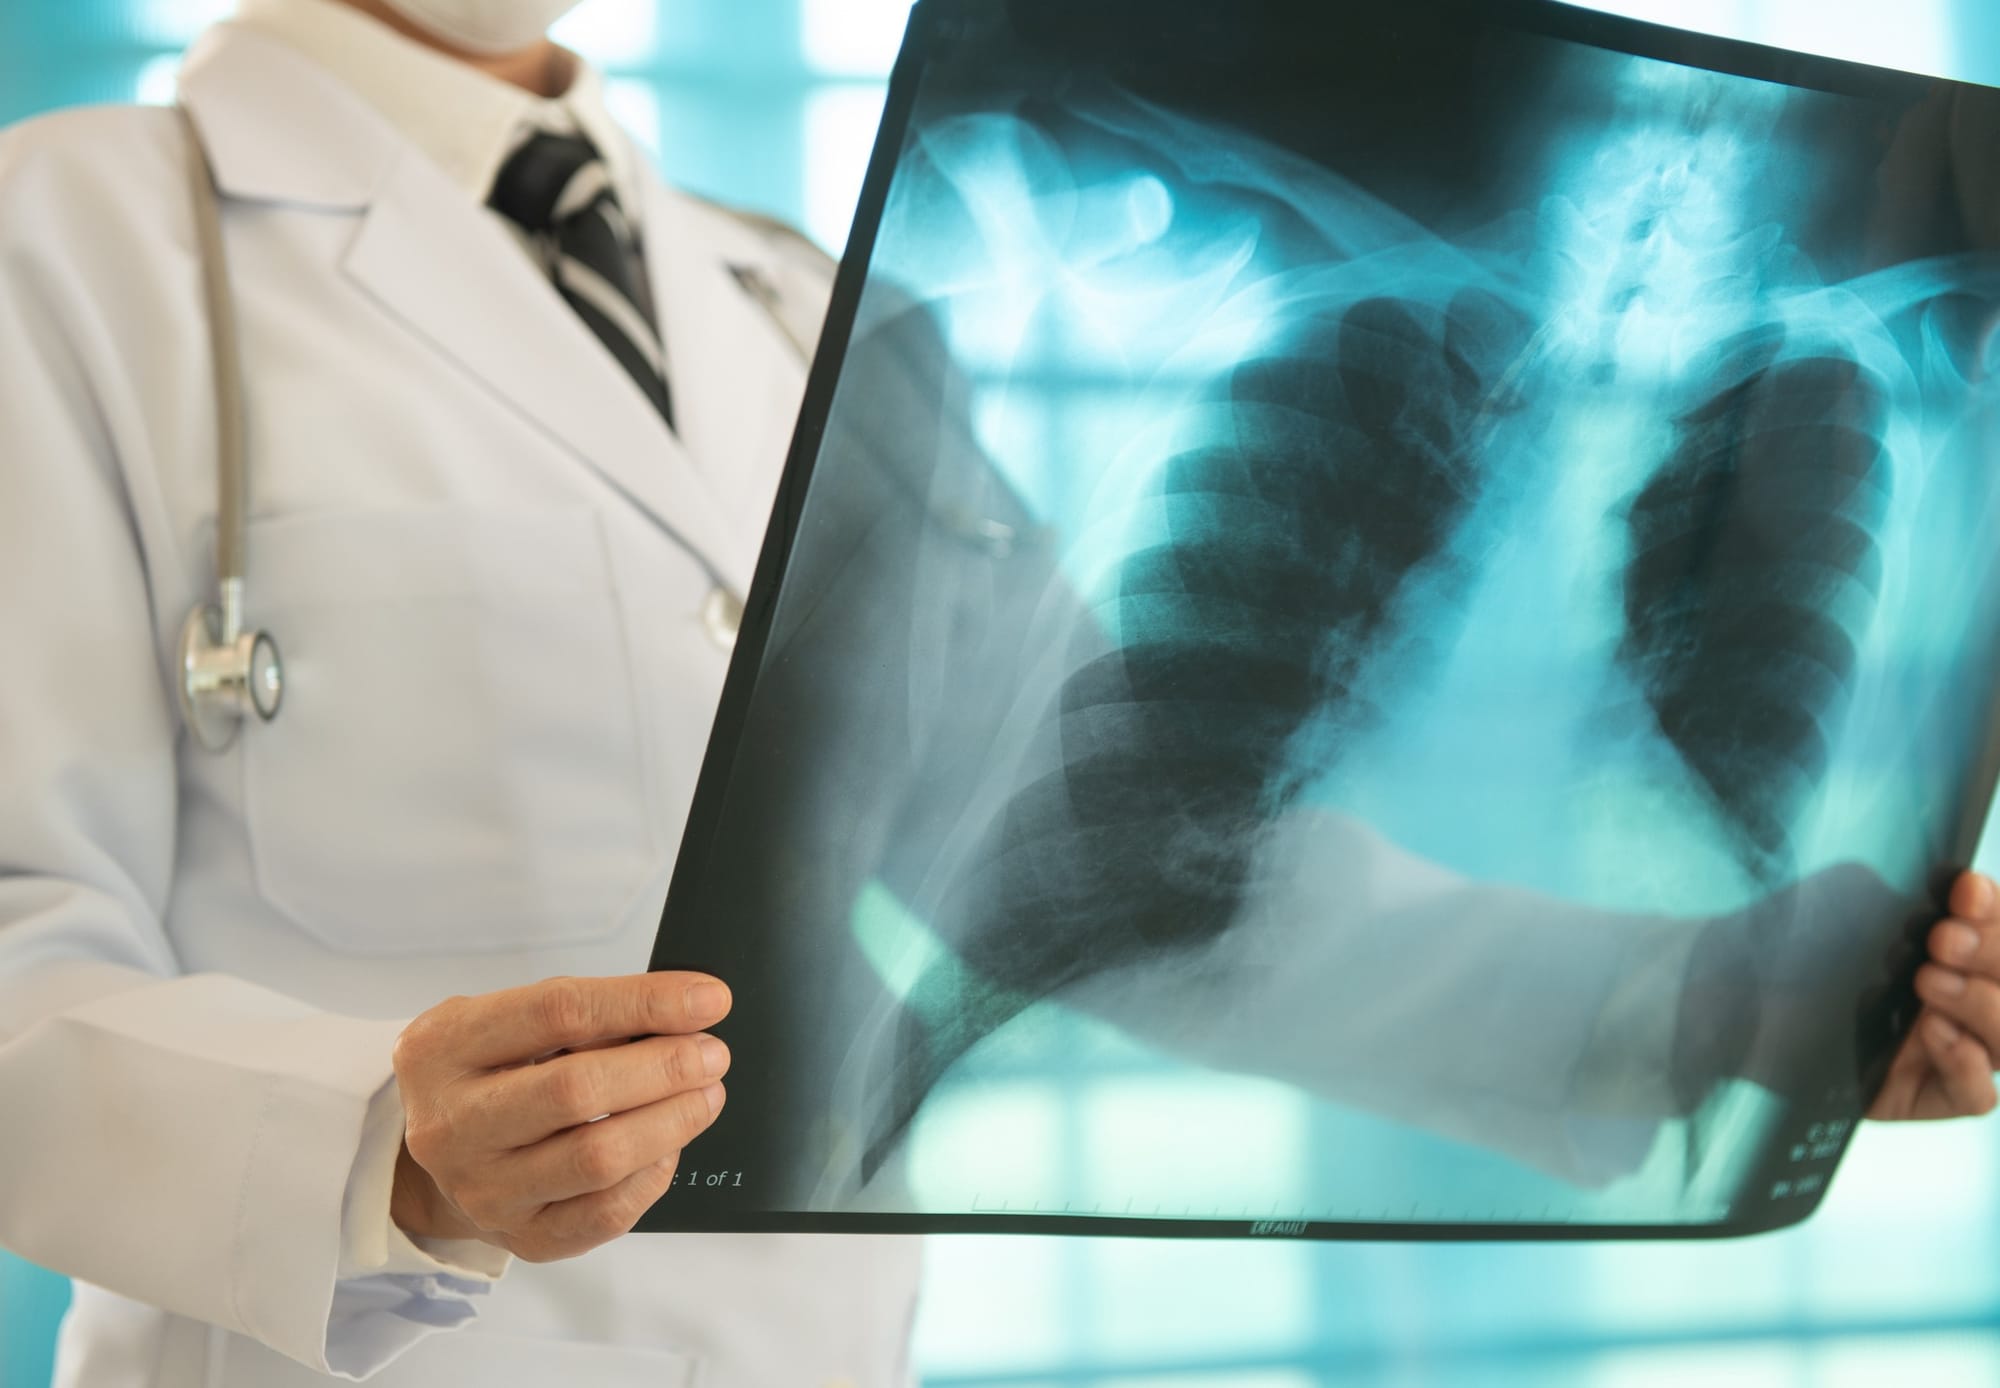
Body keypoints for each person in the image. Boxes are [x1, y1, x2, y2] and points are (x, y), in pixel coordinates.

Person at [0, 1, 1993, 1385]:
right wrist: (381, 1147)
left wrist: (1714, 1001)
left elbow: (1112, 867)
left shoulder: (794, 294)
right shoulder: (65, 240)